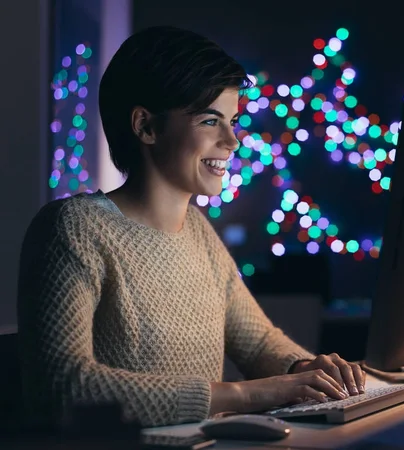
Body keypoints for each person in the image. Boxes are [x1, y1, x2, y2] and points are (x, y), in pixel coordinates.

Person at [17, 26, 365, 428]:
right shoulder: (73, 228)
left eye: (233, 121)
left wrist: (308, 369)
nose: (233, 140)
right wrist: (245, 395)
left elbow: (258, 342)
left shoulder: (197, 230)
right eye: (210, 121)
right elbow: (62, 387)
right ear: (146, 126)